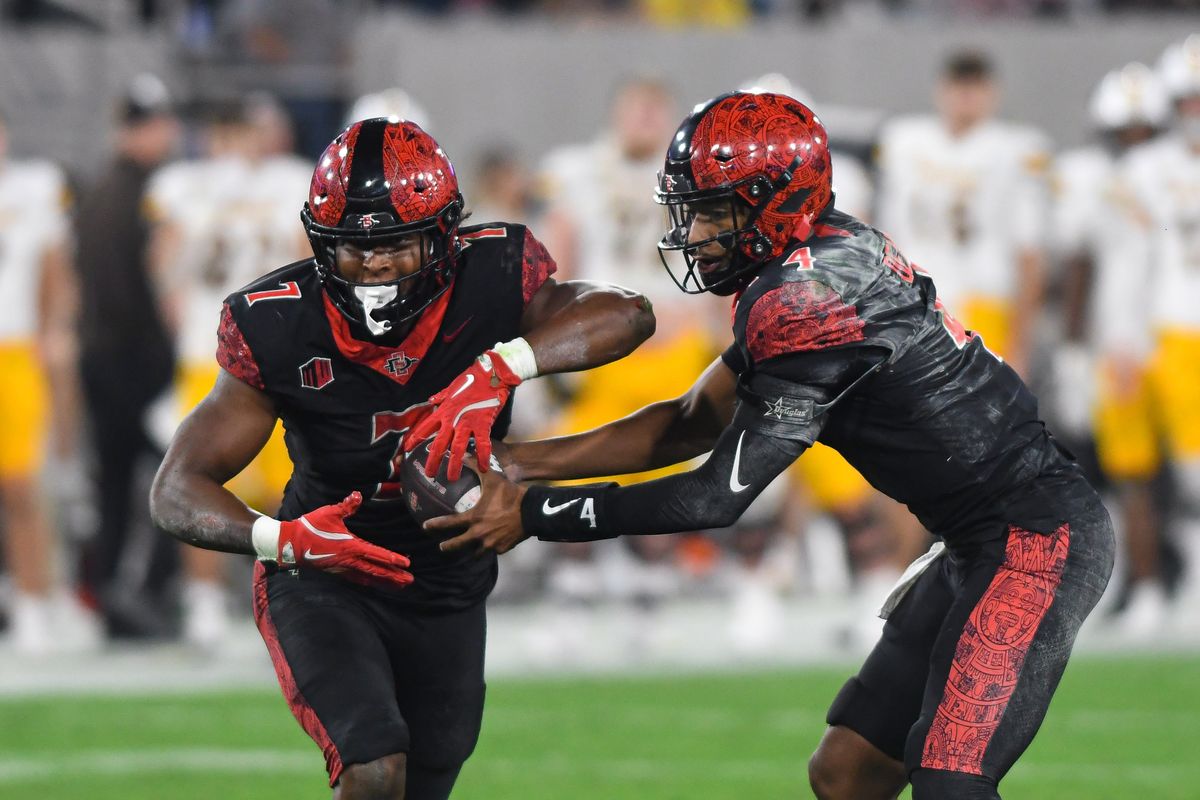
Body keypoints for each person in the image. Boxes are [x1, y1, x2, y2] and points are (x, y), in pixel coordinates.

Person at [429, 92, 1115, 800]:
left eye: (714, 211)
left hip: (1036, 542)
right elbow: (692, 420)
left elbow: (713, 495)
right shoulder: (808, 266)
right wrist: (516, 460)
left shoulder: (808, 298)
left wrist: (533, 514)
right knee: (846, 774)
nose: (694, 230)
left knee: (951, 784)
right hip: (976, 539)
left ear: (776, 203)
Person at [149, 117, 654, 799]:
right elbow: (176, 488)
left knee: (423, 782)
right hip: (325, 574)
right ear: (322, 244)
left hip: (446, 580)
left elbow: (627, 313)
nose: (376, 265)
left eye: (396, 244)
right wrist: (285, 540)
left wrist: (501, 368)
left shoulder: (492, 276)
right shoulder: (277, 323)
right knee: (375, 766)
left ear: (444, 237)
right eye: (354, 248)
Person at [147, 95, 311, 649]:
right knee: (204, 479)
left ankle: (288, 592)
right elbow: (166, 275)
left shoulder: (283, 183)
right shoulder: (186, 189)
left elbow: (304, 263)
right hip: (210, 354)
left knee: (284, 483)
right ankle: (205, 602)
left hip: (264, 354)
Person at [1049, 62, 1170, 635]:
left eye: (1145, 133)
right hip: (1118, 342)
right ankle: (1143, 584)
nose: (1135, 146)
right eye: (1125, 134)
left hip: (1175, 333)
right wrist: (1074, 349)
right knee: (1126, 471)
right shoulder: (1090, 179)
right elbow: (1080, 263)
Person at [74, 73, 182, 638]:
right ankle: (139, 593)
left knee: (113, 484)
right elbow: (143, 292)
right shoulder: (149, 195)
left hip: (98, 357)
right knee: (184, 472)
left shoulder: (94, 191)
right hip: (135, 360)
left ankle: (112, 596)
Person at [876, 50, 1051, 377]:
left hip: (983, 299)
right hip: (914, 303)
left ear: (992, 92)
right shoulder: (905, 142)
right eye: (959, 85)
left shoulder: (1016, 152)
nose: (966, 97)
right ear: (941, 89)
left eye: (976, 86)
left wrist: (1021, 343)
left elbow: (1030, 255)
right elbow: (887, 237)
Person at [1102, 34, 1200, 618]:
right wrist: (1122, 341)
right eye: (1188, 100)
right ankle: (1166, 584)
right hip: (1170, 327)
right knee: (1163, 469)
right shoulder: (1144, 169)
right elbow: (1127, 262)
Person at [0, 107, 78, 654]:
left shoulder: (33, 189)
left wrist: (58, 334)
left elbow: (55, 273)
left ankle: (33, 601)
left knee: (22, 485)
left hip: (15, 351)